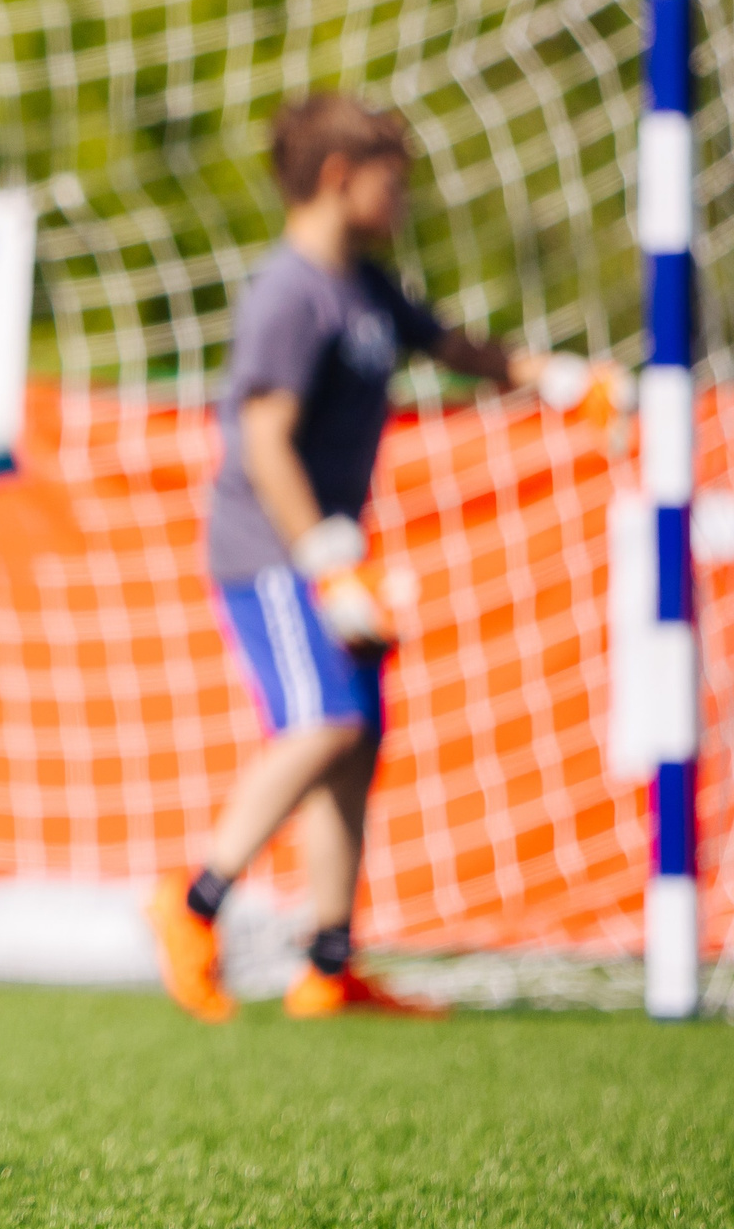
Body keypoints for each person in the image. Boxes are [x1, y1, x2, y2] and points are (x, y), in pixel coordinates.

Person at [147, 93, 557, 1021]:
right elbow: (262, 434)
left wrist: (555, 377)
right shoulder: (289, 292)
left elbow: (452, 346)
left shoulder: (367, 286)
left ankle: (330, 964)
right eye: (392, 181)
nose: (404, 200)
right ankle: (191, 902)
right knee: (323, 722)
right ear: (339, 178)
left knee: (356, 743)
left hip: (335, 555)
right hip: (275, 552)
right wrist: (325, 556)